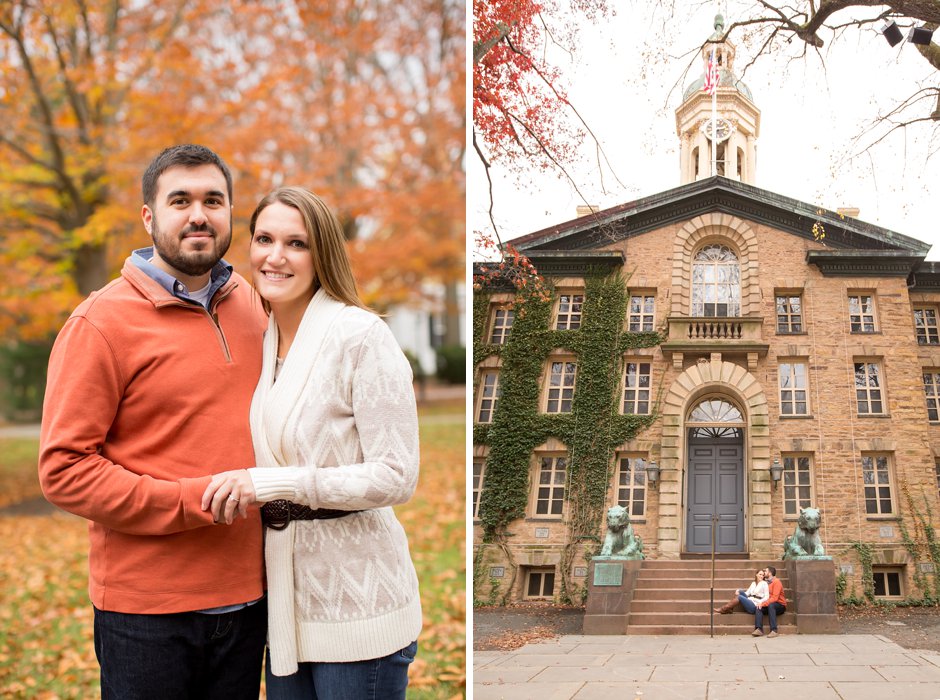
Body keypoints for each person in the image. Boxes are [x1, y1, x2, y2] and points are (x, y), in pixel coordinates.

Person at [38, 144, 268, 699]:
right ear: (149, 216)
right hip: (146, 616)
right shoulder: (99, 322)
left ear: (231, 212)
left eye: (214, 200)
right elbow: (64, 470)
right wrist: (192, 501)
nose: (198, 215)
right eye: (180, 200)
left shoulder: (255, 306)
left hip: (251, 601)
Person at [201, 186, 422, 699]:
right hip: (284, 611)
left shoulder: (361, 336)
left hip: (359, 605)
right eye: (264, 239)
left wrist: (270, 483)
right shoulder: (266, 339)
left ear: (321, 254)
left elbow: (397, 475)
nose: (275, 257)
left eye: (296, 244)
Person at [755, 566, 787, 637]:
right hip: (770, 604)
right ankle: (759, 629)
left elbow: (775, 598)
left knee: (771, 605)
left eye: (765, 571)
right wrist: (761, 604)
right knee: (758, 606)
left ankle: (774, 630)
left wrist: (763, 604)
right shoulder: (766, 583)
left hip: (780, 605)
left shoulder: (776, 582)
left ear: (769, 573)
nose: (764, 573)